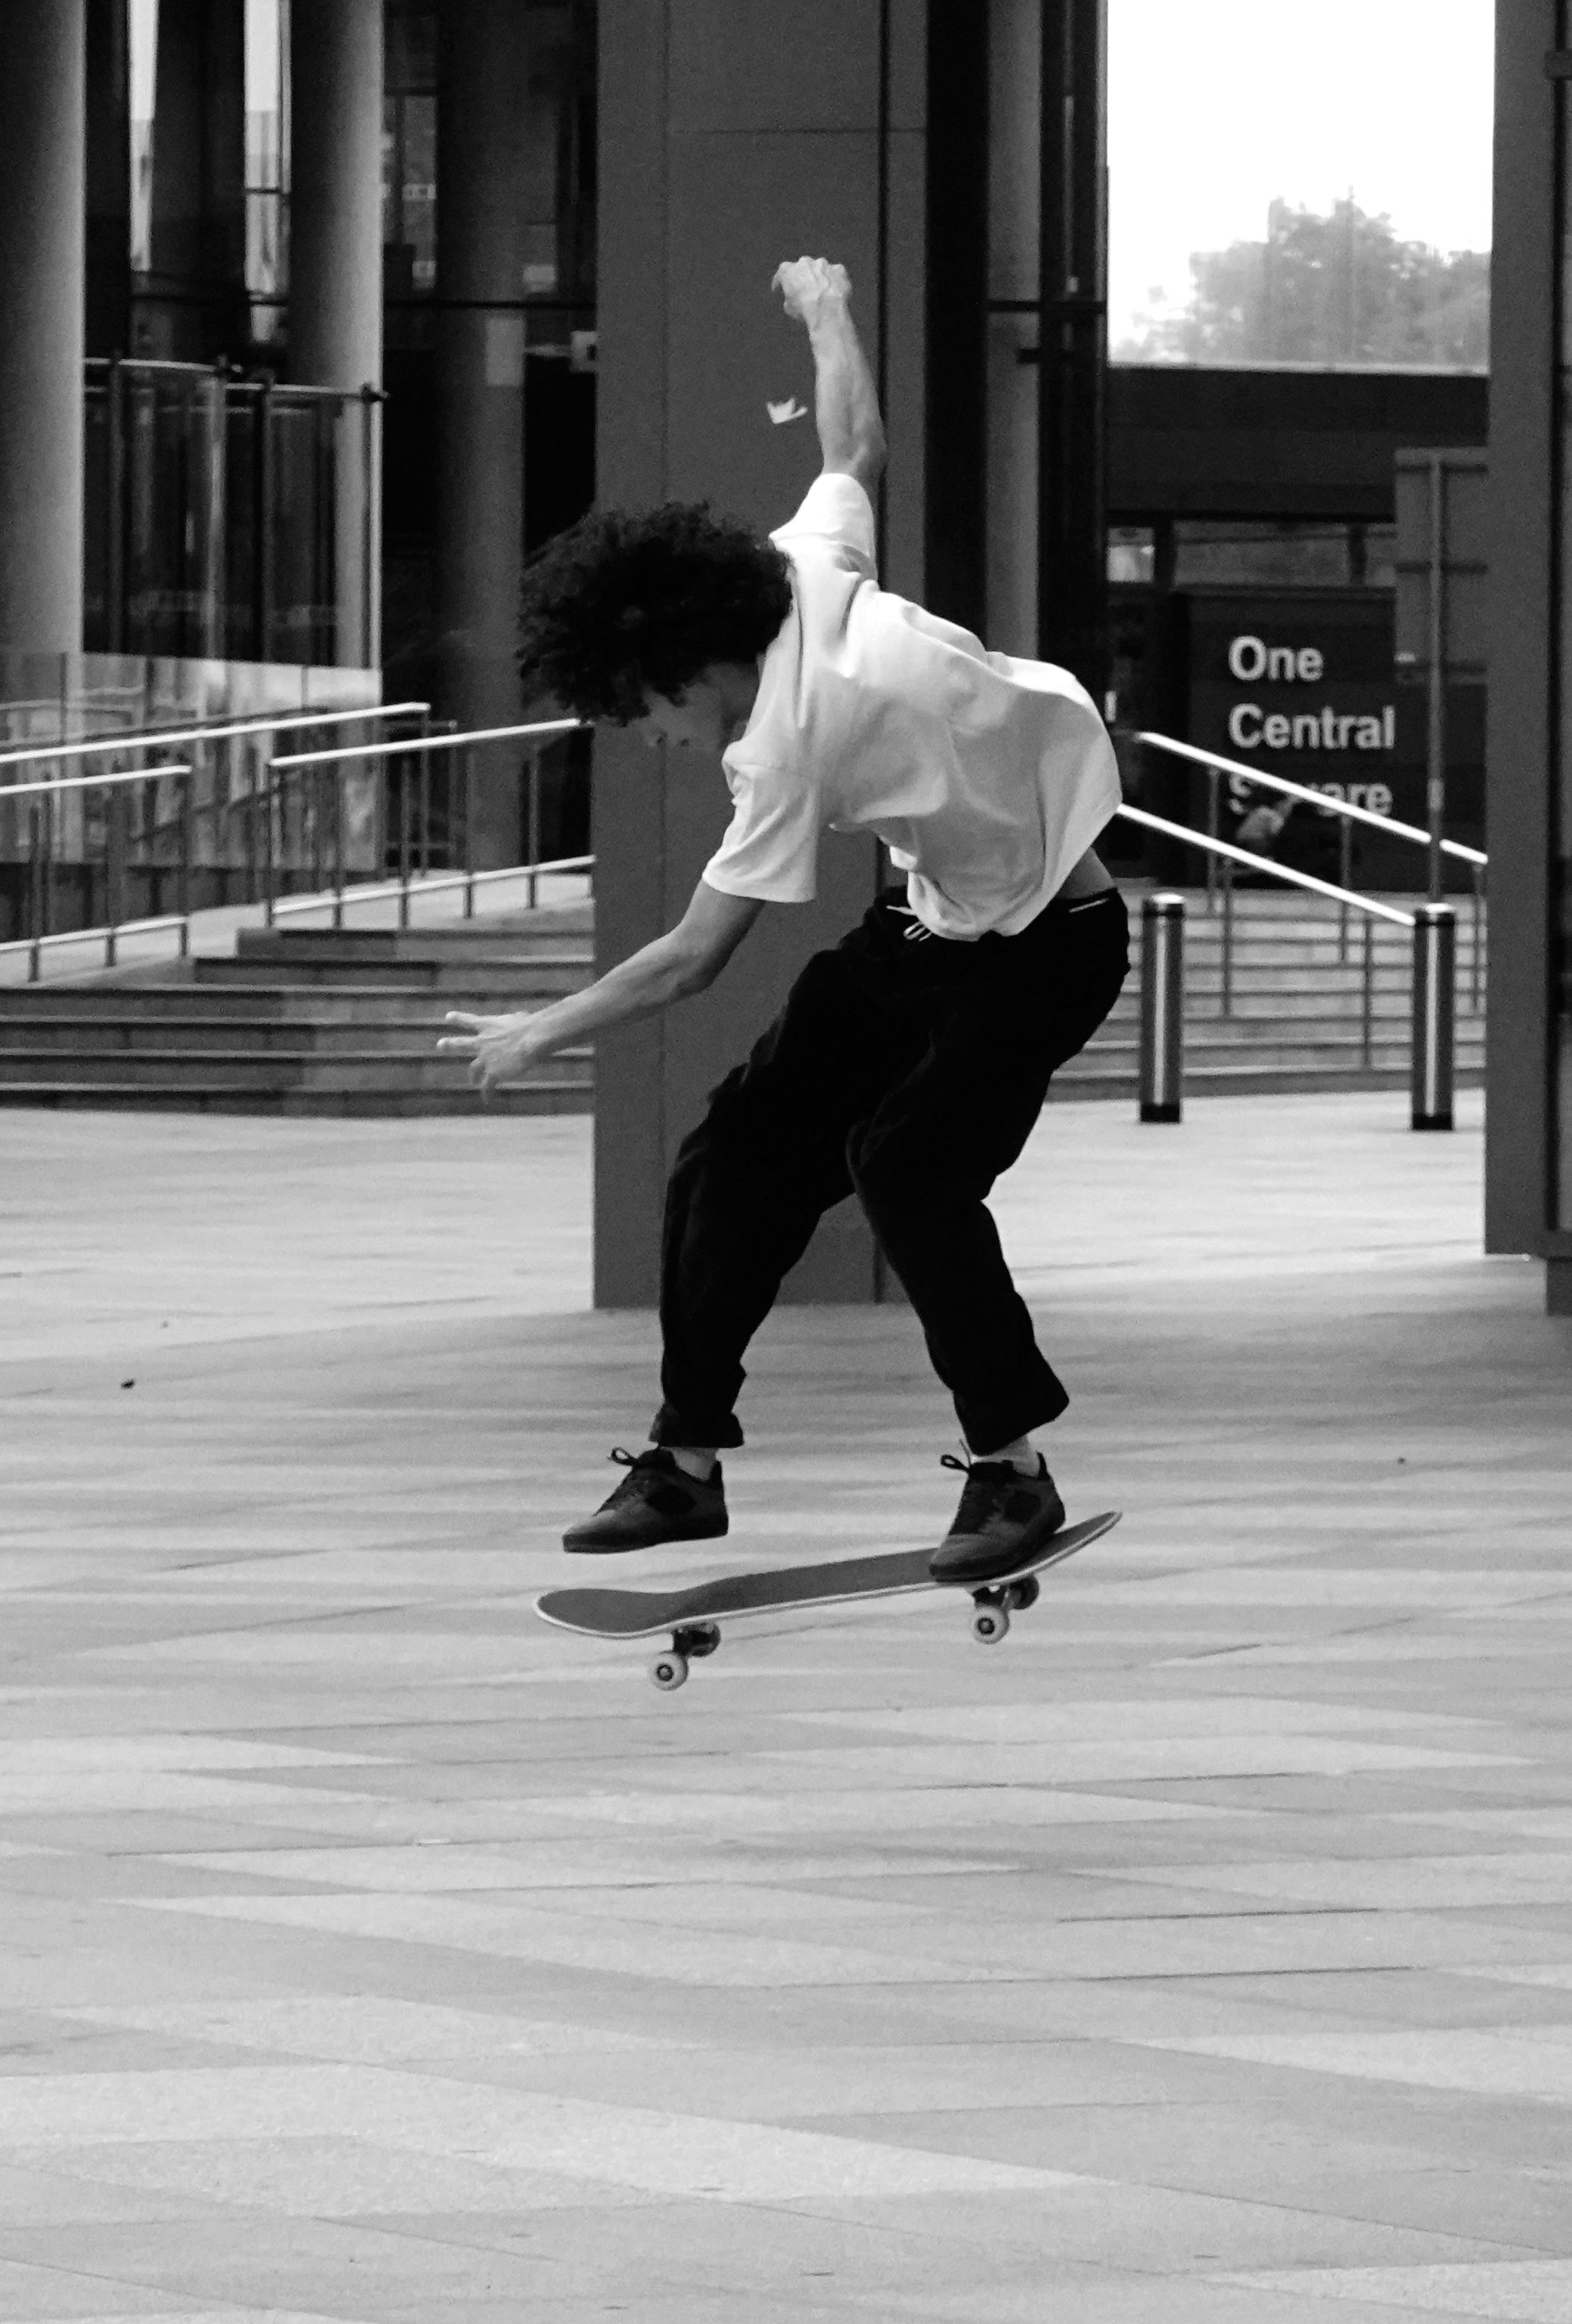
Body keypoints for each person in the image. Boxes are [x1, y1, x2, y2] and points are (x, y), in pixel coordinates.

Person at [440, 254, 1125, 1586]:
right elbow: (854, 438)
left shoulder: (789, 742)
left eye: (647, 714)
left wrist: (542, 1026)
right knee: (732, 1154)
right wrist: (826, 308)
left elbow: (695, 958)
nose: (655, 740)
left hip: (1054, 947)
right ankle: (683, 1466)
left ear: (693, 666)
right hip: (938, 924)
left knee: (907, 1165)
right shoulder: (801, 562)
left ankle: (1014, 1472)